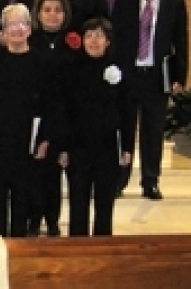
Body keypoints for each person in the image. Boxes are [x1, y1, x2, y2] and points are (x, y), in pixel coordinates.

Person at [0, 4, 62, 237]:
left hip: (28, 142)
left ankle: (20, 245)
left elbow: (53, 106)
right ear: (3, 30)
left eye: (22, 24)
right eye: (11, 25)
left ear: (30, 29)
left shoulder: (44, 63)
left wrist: (46, 139)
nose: (17, 29)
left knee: (24, 197)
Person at [112, 0, 188, 200]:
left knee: (153, 131)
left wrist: (179, 77)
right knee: (124, 128)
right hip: (128, 74)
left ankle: (150, 181)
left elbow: (181, 43)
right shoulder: (123, 2)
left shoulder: (174, 3)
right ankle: (119, 180)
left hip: (157, 76)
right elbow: (116, 41)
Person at [62, 18, 130, 236]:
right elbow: (63, 112)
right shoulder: (71, 69)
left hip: (108, 147)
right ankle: (77, 249)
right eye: (89, 35)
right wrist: (63, 148)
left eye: (99, 35)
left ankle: (103, 247)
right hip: (78, 147)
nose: (94, 40)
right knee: (78, 202)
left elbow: (127, 112)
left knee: (105, 203)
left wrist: (127, 148)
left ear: (108, 41)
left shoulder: (119, 69)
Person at [26, 0, 77, 236]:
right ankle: (33, 218)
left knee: (53, 173)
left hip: (64, 116)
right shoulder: (29, 40)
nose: (52, 15)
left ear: (65, 15)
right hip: (34, 116)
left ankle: (52, 219)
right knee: (33, 173)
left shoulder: (73, 43)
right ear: (37, 14)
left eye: (58, 10)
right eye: (47, 10)